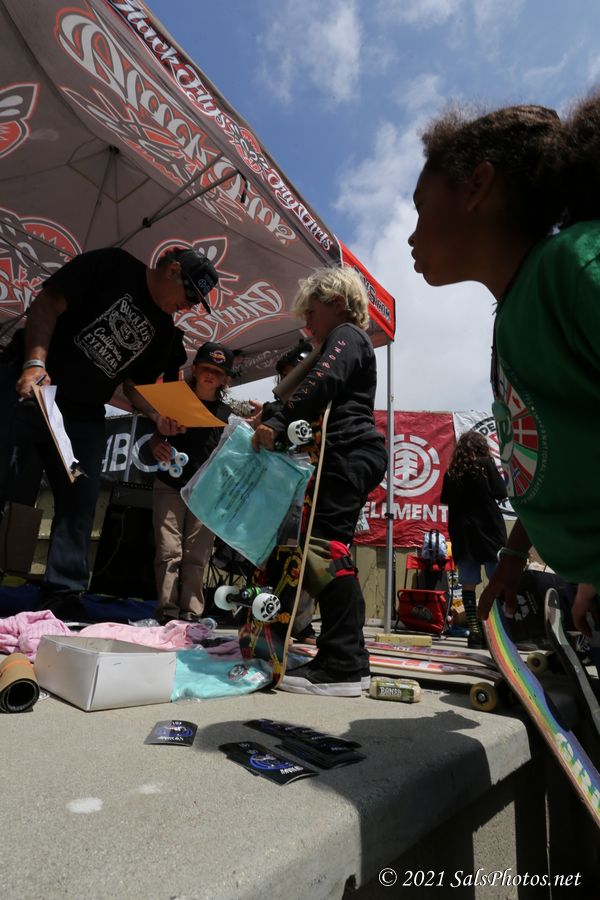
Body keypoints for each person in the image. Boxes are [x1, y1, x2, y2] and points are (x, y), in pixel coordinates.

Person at [408, 94, 600, 641]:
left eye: (421, 206)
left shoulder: (574, 265)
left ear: (478, 186)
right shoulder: (515, 312)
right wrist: (518, 557)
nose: (411, 234)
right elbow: (557, 462)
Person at [10, 245, 218, 620]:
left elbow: (134, 386)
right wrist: (34, 363)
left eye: (195, 304)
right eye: (190, 296)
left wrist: (157, 416)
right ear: (173, 270)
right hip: (34, 385)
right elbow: (48, 303)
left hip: (82, 413)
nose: (188, 307)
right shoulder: (113, 265)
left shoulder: (162, 330)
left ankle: (63, 593)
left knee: (81, 495)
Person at [252, 265, 388, 696]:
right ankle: (348, 659)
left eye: (311, 312)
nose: (307, 323)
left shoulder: (347, 335)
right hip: (344, 453)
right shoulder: (338, 341)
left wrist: (277, 422)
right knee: (324, 549)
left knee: (324, 551)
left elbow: (323, 381)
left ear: (338, 304)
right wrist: (270, 415)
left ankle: (343, 663)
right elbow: (314, 388)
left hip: (349, 451)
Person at [148, 342, 232, 625]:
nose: (210, 375)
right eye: (206, 368)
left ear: (225, 379)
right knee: (168, 551)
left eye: (218, 372)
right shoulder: (174, 400)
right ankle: (167, 613)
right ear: (194, 369)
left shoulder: (228, 415)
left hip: (206, 492)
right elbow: (154, 437)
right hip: (169, 485)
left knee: (197, 555)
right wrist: (156, 444)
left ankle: (192, 615)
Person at [440, 430, 507, 648]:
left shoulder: (453, 471)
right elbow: (501, 492)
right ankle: (499, 632)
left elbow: (445, 499)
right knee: (497, 581)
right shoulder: (485, 464)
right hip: (489, 531)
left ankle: (474, 632)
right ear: (481, 446)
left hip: (463, 533)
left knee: (468, 584)